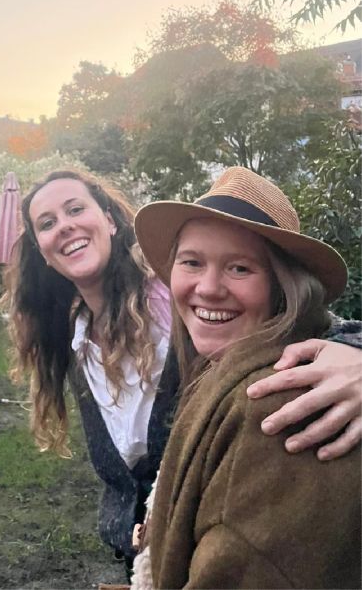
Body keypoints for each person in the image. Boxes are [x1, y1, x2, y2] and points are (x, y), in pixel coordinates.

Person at [0, 168, 361, 574]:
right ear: (41, 251)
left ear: (110, 220)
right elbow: (125, 475)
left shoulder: (177, 306)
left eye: (75, 209)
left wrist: (356, 354)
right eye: (47, 223)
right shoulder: (75, 338)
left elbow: (305, 323)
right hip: (145, 561)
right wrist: (127, 528)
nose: (65, 226)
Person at [131, 166, 360, 588]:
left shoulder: (281, 403)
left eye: (239, 268)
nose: (208, 288)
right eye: (191, 262)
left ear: (283, 286)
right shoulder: (219, 366)